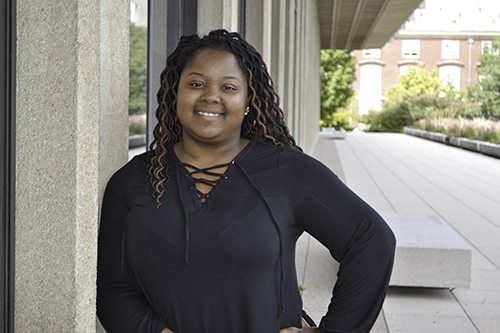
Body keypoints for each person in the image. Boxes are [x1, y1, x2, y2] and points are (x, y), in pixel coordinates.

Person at [97, 29, 396, 333]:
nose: (210, 96)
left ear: (248, 100)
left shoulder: (287, 171)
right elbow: (112, 287)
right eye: (196, 83)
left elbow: (371, 240)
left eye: (228, 87)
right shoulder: (131, 182)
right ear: (175, 92)